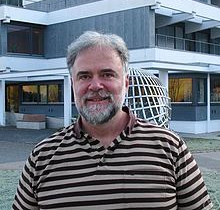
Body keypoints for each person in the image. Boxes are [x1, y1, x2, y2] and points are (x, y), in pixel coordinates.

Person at [13, 31, 213, 210]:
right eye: (84, 76)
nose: (95, 85)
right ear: (73, 83)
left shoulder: (170, 147)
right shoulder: (43, 156)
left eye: (107, 74)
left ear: (126, 83)